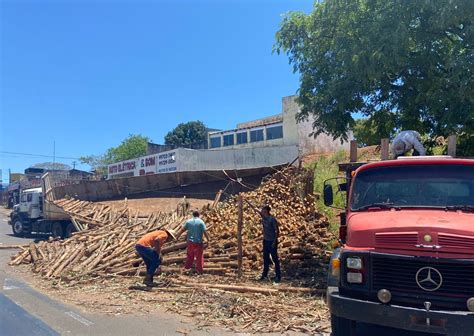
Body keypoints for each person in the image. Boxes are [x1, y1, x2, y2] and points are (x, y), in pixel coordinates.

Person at [247, 202, 281, 283]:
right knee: (265, 258)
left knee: (275, 259)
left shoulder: (272, 219)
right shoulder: (263, 216)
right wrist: (247, 201)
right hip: (265, 241)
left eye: (263, 210)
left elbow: (277, 231)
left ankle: (278, 276)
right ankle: (264, 275)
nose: (261, 211)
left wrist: (274, 241)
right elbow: (255, 208)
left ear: (266, 211)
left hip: (272, 241)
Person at [176, 210, 210, 274]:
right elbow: (205, 232)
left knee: (190, 256)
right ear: (198, 215)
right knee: (199, 257)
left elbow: (182, 230)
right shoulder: (201, 222)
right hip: (198, 242)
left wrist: (177, 237)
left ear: (193, 215)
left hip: (190, 242)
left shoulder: (188, 222)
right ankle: (199, 270)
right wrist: (208, 240)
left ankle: (187, 268)